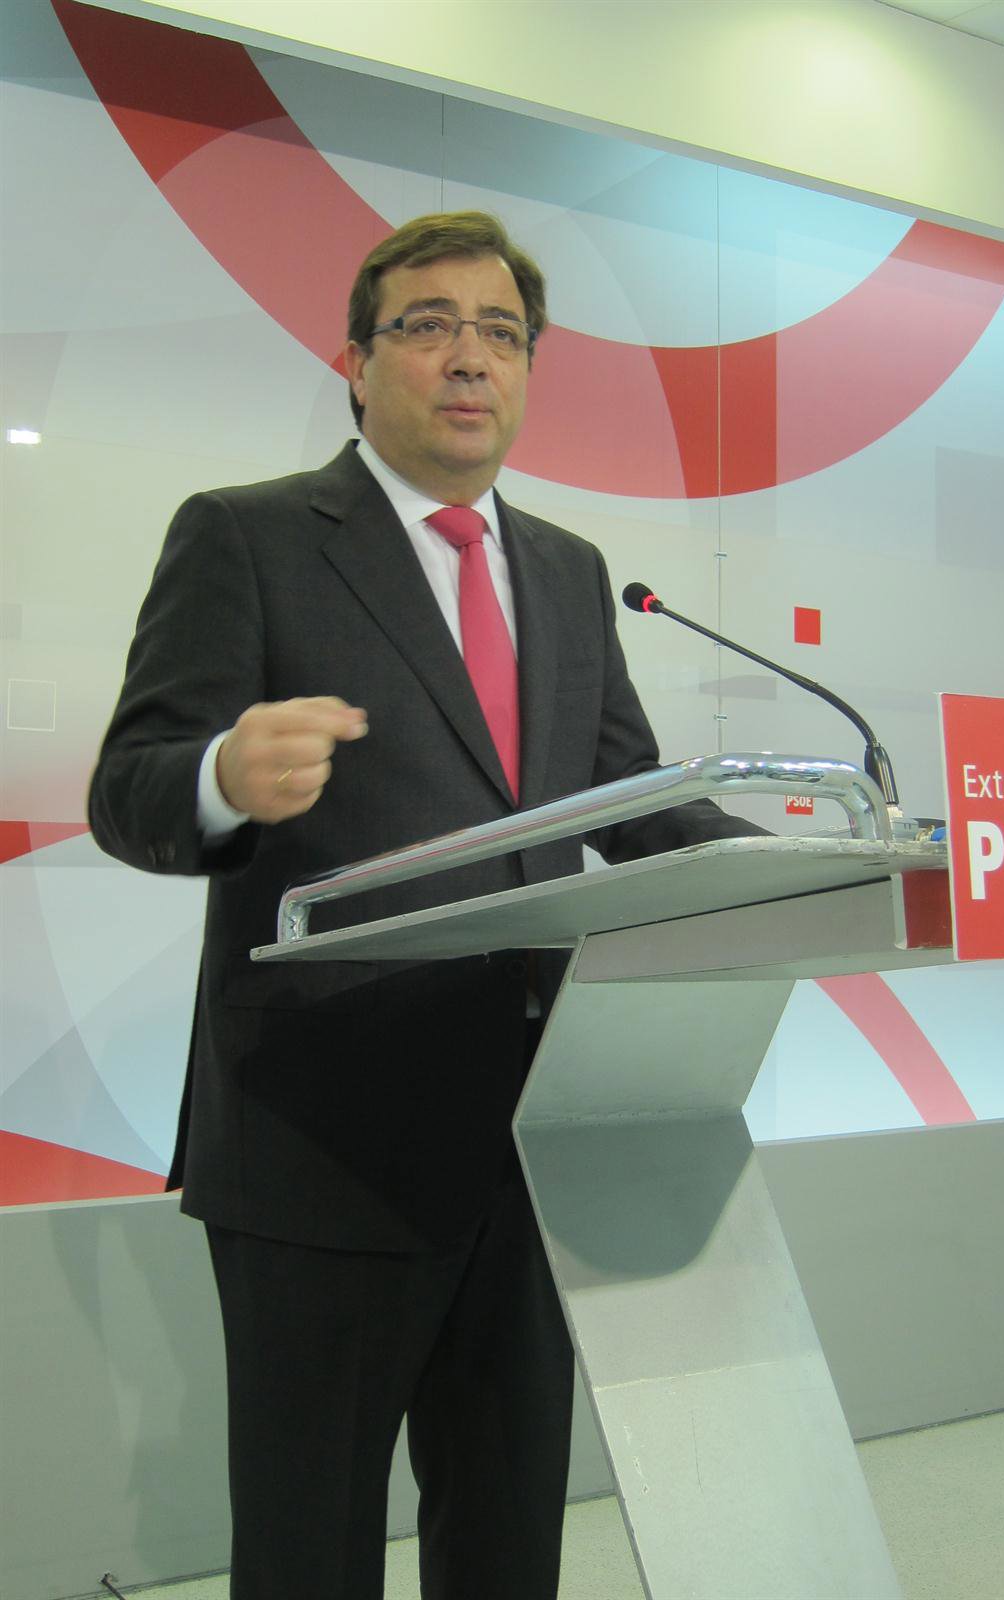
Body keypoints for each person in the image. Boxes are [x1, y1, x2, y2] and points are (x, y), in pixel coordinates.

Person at [88, 211, 758, 1599]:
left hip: (534, 1132)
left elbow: (627, 798)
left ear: (529, 370)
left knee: (506, 1540)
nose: (470, 357)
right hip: (320, 1139)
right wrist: (219, 774)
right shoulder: (250, 536)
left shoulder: (567, 570)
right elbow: (127, 786)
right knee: (311, 1550)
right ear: (355, 360)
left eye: (501, 332)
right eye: (430, 325)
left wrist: (802, 867)